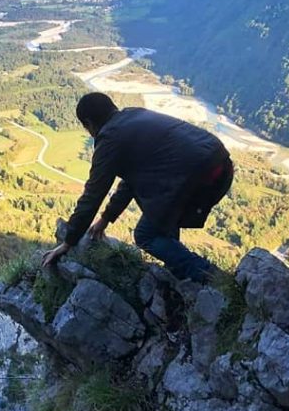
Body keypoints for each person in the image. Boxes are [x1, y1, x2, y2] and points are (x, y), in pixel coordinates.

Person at [42, 93, 233, 282]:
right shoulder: (132, 115)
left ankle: (210, 277)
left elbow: (93, 194)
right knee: (162, 219)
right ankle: (181, 273)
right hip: (220, 161)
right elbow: (131, 181)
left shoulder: (109, 139)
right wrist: (106, 218)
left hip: (198, 176)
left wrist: (69, 241)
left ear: (88, 124)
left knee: (145, 234)